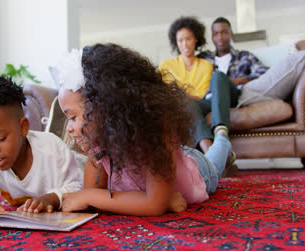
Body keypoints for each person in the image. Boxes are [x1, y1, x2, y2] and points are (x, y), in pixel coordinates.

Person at [53, 44, 232, 216]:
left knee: (215, 162)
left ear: (103, 106)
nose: (68, 129)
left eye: (72, 117)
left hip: (198, 172)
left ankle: (222, 138)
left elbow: (152, 205)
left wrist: (87, 196)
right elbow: (94, 199)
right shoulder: (99, 142)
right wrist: (161, 200)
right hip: (172, 161)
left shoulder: (155, 130)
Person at [0, 75, 83, 219]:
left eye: (1, 138)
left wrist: (52, 198)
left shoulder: (53, 151)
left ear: (23, 127)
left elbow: (79, 187)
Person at [158, 16, 215, 153]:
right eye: (180, 40)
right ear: (176, 43)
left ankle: (209, 152)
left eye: (188, 39)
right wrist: (182, 95)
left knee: (186, 102)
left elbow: (200, 95)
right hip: (176, 106)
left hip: (201, 105)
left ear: (196, 39)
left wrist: (180, 93)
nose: (185, 44)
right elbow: (161, 92)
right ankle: (210, 152)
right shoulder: (166, 65)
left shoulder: (206, 65)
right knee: (184, 102)